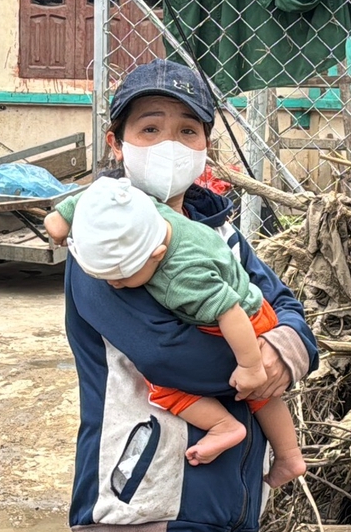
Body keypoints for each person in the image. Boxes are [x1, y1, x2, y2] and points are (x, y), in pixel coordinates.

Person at [63, 60, 317, 532]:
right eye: (150, 128)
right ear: (118, 142)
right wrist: (264, 356)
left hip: (225, 516)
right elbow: (176, 355)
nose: (168, 142)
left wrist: (270, 352)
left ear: (206, 145)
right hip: (141, 518)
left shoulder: (224, 239)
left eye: (187, 128)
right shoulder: (105, 241)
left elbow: (299, 319)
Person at [45, 175, 307, 486]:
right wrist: (60, 219)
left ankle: (224, 426)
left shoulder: (183, 277)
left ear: (156, 255)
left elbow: (228, 310)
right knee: (263, 398)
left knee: (181, 389)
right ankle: (290, 456)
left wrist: (250, 364)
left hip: (242, 321)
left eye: (122, 276)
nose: (113, 284)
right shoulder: (144, 209)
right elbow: (98, 195)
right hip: (246, 306)